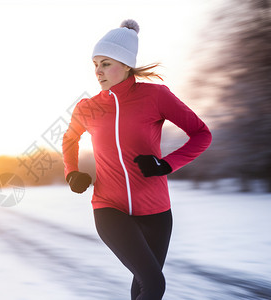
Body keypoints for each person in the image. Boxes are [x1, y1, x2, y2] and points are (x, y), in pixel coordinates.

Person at [62, 19, 212, 300]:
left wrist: (166, 164)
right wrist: (72, 172)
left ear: (126, 64)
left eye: (105, 63)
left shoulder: (156, 97)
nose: (98, 71)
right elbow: (69, 139)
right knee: (154, 284)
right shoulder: (87, 107)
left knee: (143, 288)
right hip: (109, 207)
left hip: (157, 212)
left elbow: (201, 134)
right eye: (95, 64)